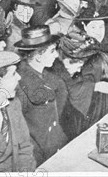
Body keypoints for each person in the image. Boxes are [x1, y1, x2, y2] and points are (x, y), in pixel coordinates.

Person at [15, 26, 68, 165]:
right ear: (38, 57)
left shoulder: (50, 77)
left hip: (56, 147)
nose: (56, 55)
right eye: (52, 51)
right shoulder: (20, 85)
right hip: (39, 157)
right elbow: (20, 132)